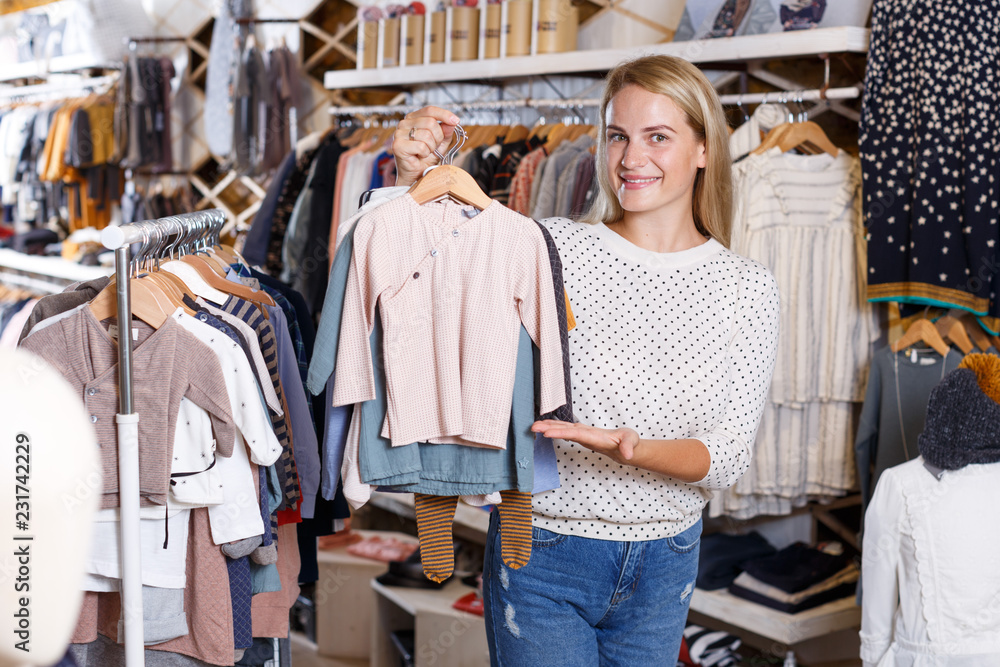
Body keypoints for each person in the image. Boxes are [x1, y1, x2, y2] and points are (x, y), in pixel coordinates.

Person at [390, 55, 780, 666]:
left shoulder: (748, 288)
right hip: (544, 549)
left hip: (667, 561)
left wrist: (630, 446)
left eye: (658, 137)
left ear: (704, 148)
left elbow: (726, 456)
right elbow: (421, 288)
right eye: (618, 135)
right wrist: (412, 181)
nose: (630, 158)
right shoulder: (549, 246)